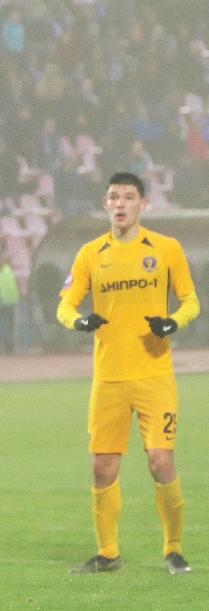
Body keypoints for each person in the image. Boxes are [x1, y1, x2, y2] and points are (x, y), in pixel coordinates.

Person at [56, 172, 199, 575]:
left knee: (160, 462)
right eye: (114, 197)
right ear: (106, 204)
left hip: (154, 375)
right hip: (109, 379)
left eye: (129, 197)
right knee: (102, 468)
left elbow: (191, 300)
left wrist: (172, 322)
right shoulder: (91, 254)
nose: (120, 203)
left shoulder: (166, 249)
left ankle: (173, 550)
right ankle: (108, 554)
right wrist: (79, 322)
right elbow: (65, 305)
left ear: (142, 204)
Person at [0, 253, 20, 355]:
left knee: (10, 325)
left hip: (10, 302)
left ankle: (9, 346)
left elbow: (13, 285)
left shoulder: (8, 269)